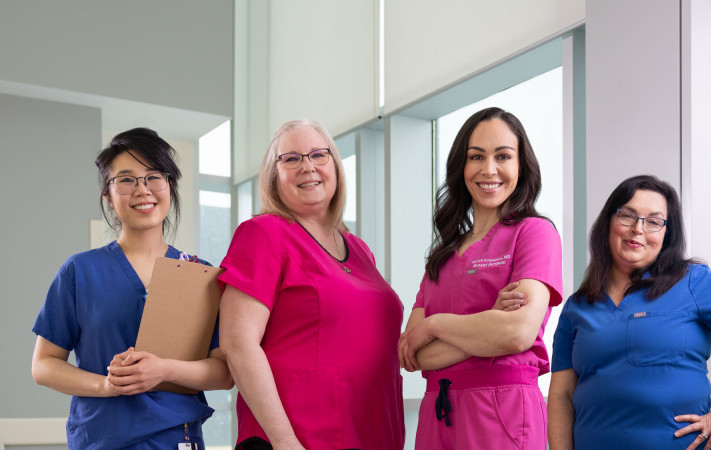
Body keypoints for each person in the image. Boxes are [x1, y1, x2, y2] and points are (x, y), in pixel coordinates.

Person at [547, 175, 711, 450]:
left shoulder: (693, 281)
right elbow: (561, 395)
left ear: (666, 234)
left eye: (653, 221)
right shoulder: (577, 306)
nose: (638, 229)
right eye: (627, 215)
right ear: (609, 222)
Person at [31, 127, 233, 449]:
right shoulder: (80, 271)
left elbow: (224, 372)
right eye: (126, 180)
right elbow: (43, 365)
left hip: (176, 439)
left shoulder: (200, 274)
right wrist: (107, 386)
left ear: (169, 187)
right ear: (108, 197)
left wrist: (163, 370)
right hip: (101, 439)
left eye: (154, 176)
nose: (142, 189)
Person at [217, 119, 405, 450]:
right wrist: (285, 442)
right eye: (291, 159)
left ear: (335, 164)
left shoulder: (360, 250)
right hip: (298, 439)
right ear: (274, 175)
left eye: (318, 154)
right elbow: (238, 344)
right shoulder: (263, 234)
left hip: (371, 434)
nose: (307, 166)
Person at [398, 107, 563, 450]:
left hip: (501, 410)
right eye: (477, 157)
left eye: (503, 156)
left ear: (521, 166)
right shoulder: (443, 256)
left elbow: (516, 332)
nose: (489, 169)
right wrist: (487, 322)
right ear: (462, 167)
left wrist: (434, 326)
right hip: (438, 414)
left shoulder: (535, 233)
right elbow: (415, 354)